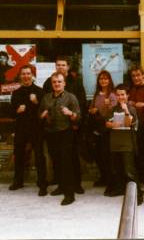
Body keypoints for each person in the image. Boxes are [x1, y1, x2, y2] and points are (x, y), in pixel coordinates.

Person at [43, 56, 86, 194]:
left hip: (72, 126)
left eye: (63, 65)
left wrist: (77, 123)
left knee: (72, 156)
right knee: (58, 158)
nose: (60, 67)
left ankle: (76, 184)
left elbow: (82, 104)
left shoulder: (76, 82)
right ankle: (62, 184)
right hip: (54, 128)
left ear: (67, 67)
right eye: (58, 65)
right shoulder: (48, 83)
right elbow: (46, 102)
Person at [39, 72, 80, 205]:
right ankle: (62, 187)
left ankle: (70, 194)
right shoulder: (46, 98)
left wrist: (70, 113)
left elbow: (78, 117)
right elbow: (39, 116)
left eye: (59, 82)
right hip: (50, 133)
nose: (57, 84)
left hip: (65, 133)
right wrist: (43, 115)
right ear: (52, 84)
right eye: (54, 82)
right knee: (56, 162)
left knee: (66, 163)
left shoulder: (71, 97)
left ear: (64, 83)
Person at [9, 65, 47, 196]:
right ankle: (18, 181)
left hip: (36, 128)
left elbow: (45, 112)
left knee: (39, 156)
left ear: (32, 75)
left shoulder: (40, 91)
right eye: (23, 74)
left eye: (28, 73)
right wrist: (16, 111)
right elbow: (11, 112)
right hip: (21, 128)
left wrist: (36, 102)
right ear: (20, 76)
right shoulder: (16, 92)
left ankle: (42, 184)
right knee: (18, 155)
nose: (26, 76)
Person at [105, 84, 143, 205]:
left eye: (123, 94)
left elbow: (128, 123)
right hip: (115, 143)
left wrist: (125, 110)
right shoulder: (113, 109)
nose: (120, 97)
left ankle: (138, 196)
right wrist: (111, 125)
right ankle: (120, 190)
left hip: (127, 144)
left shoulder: (131, 109)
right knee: (117, 169)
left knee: (130, 171)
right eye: (118, 94)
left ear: (127, 95)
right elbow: (107, 123)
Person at [88, 70, 117, 187]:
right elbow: (91, 109)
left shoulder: (112, 95)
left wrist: (109, 105)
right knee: (99, 155)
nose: (103, 81)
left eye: (106, 78)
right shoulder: (96, 94)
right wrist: (92, 110)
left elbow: (115, 112)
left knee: (107, 156)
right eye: (101, 79)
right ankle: (103, 178)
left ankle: (110, 181)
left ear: (109, 80)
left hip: (108, 129)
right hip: (98, 128)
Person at [128, 66, 144, 185]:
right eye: (133, 76)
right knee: (138, 153)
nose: (136, 78)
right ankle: (142, 178)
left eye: (138, 75)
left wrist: (141, 104)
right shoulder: (133, 89)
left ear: (143, 75)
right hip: (135, 126)